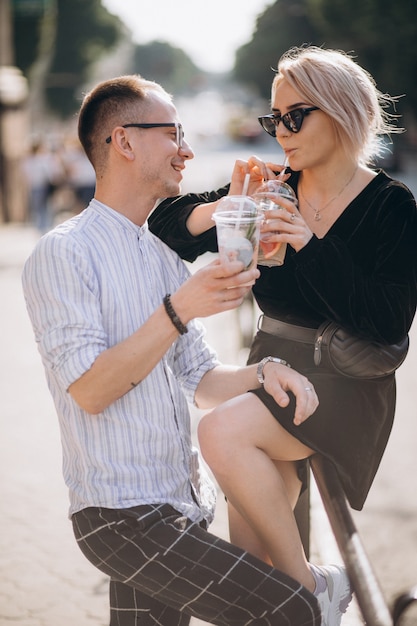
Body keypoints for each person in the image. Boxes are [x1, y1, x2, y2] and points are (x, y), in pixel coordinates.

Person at [22, 74, 323, 626]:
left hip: (181, 508)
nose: (187, 150)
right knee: (292, 609)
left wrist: (264, 373)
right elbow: (90, 390)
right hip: (120, 517)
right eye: (174, 133)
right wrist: (179, 309)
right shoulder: (62, 253)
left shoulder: (163, 259)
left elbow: (202, 379)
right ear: (125, 142)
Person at [149, 46, 417, 625]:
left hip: (343, 385)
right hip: (271, 371)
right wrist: (230, 206)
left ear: (342, 111)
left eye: (294, 116)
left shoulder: (392, 207)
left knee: (219, 432)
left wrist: (307, 244)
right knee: (250, 561)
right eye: (275, 119)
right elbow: (164, 225)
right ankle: (298, 598)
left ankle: (308, 589)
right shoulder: (273, 185)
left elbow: (388, 319)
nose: (280, 132)